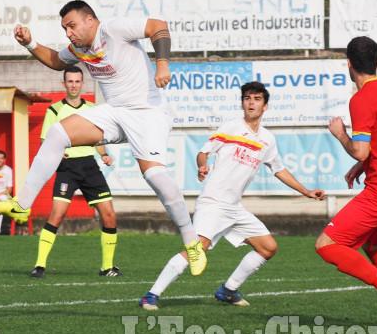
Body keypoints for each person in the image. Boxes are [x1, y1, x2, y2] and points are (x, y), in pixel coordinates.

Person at [0, 0, 207, 276]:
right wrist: (30, 44)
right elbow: (56, 61)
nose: (68, 32)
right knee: (58, 132)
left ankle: (192, 242)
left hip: (148, 112)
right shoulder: (79, 47)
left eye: (72, 25)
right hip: (115, 112)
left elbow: (157, 26)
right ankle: (22, 205)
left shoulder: (113, 29)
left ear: (90, 20)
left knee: (155, 178)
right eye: (64, 28)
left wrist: (162, 64)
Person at [139, 82, 325, 310]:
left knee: (268, 247)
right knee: (197, 249)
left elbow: (278, 169)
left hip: (234, 207)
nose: (251, 102)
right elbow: (203, 151)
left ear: (265, 106)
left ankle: (227, 290)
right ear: (242, 103)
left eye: (256, 99)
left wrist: (305, 191)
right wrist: (202, 166)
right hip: (213, 202)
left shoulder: (267, 139)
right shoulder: (231, 127)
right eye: (247, 98)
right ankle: (151, 295)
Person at [315, 36, 377, 328]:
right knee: (373, 246)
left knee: (326, 245)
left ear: (349, 63)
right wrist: (362, 166)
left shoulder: (361, 98)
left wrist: (340, 134)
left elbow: (361, 147)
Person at [31, 65, 120, 279]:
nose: (73, 85)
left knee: (109, 216)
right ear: (64, 84)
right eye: (70, 81)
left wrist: (104, 154)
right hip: (67, 168)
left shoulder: (92, 108)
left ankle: (107, 267)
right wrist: (55, 152)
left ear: (82, 84)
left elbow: (97, 138)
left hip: (89, 166)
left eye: (77, 81)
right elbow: (45, 140)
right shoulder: (54, 110)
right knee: (57, 215)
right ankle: (39, 266)